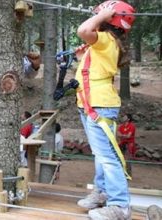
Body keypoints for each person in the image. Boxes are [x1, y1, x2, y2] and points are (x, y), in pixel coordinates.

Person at [74, 1, 136, 219]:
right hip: (91, 104)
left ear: (108, 19)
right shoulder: (105, 43)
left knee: (107, 157)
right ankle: (102, 193)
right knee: (101, 155)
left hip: (99, 106)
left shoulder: (106, 39)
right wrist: (83, 58)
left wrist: (103, 15)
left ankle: (120, 205)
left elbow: (83, 30)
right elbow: (93, 69)